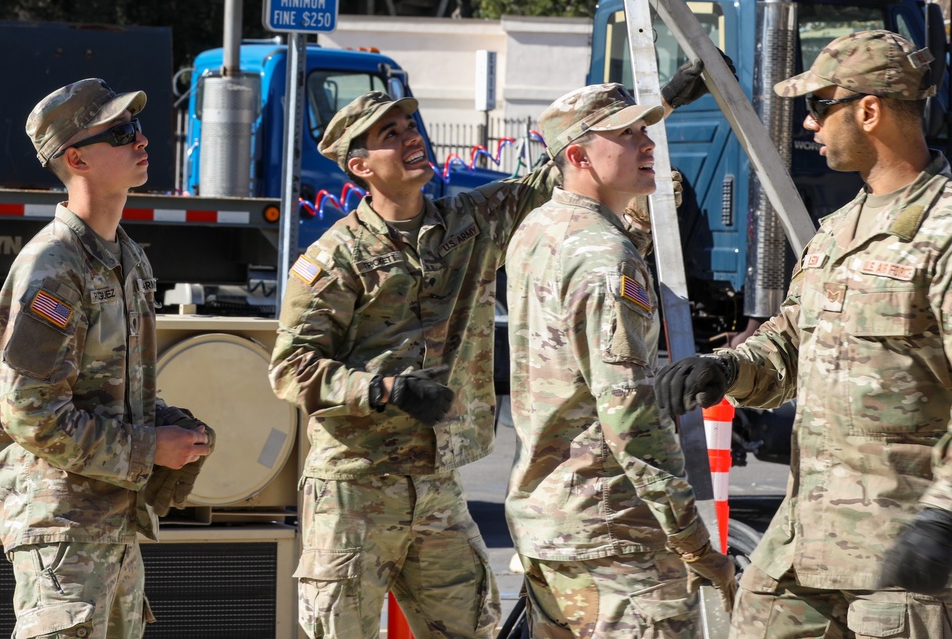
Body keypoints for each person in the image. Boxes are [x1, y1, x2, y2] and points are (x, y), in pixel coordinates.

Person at [269, 62, 718, 639]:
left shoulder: (470, 222)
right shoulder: (334, 260)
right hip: (355, 488)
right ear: (359, 167)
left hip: (436, 484)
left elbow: (564, 164)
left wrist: (659, 107)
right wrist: (383, 390)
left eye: (411, 127)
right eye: (391, 136)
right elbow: (291, 368)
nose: (412, 140)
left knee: (469, 629)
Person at [654, 30, 952, 637]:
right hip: (803, 540)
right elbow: (792, 340)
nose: (809, 125)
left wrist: (944, 517)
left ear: (868, 110)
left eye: (819, 106)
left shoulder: (943, 233)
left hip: (902, 554)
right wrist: (726, 370)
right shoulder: (838, 229)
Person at [504, 82, 737, 637]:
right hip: (615, 539)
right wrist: (694, 544)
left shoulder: (536, 231)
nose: (647, 144)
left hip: (551, 524)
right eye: (626, 135)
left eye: (644, 130)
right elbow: (631, 420)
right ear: (578, 156)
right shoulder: (607, 259)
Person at [0, 78, 214, 639]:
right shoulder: (53, 267)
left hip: (111, 523)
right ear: (76, 158)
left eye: (136, 128)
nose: (140, 140)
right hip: (62, 531)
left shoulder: (127, 257)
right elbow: (30, 413)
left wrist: (171, 426)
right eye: (120, 132)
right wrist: (148, 447)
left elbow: (112, 390)